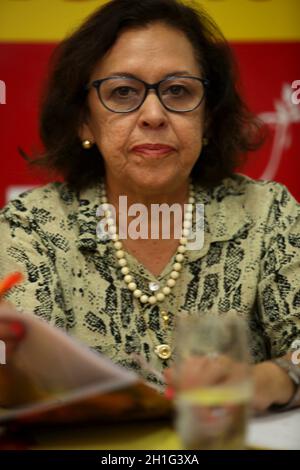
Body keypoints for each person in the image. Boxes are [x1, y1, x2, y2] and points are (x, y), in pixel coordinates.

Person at [0, 0, 299, 412]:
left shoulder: (267, 213)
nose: (154, 115)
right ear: (85, 120)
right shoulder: (32, 227)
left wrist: (274, 377)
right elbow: (23, 382)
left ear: (208, 117)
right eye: (123, 92)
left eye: (178, 90)